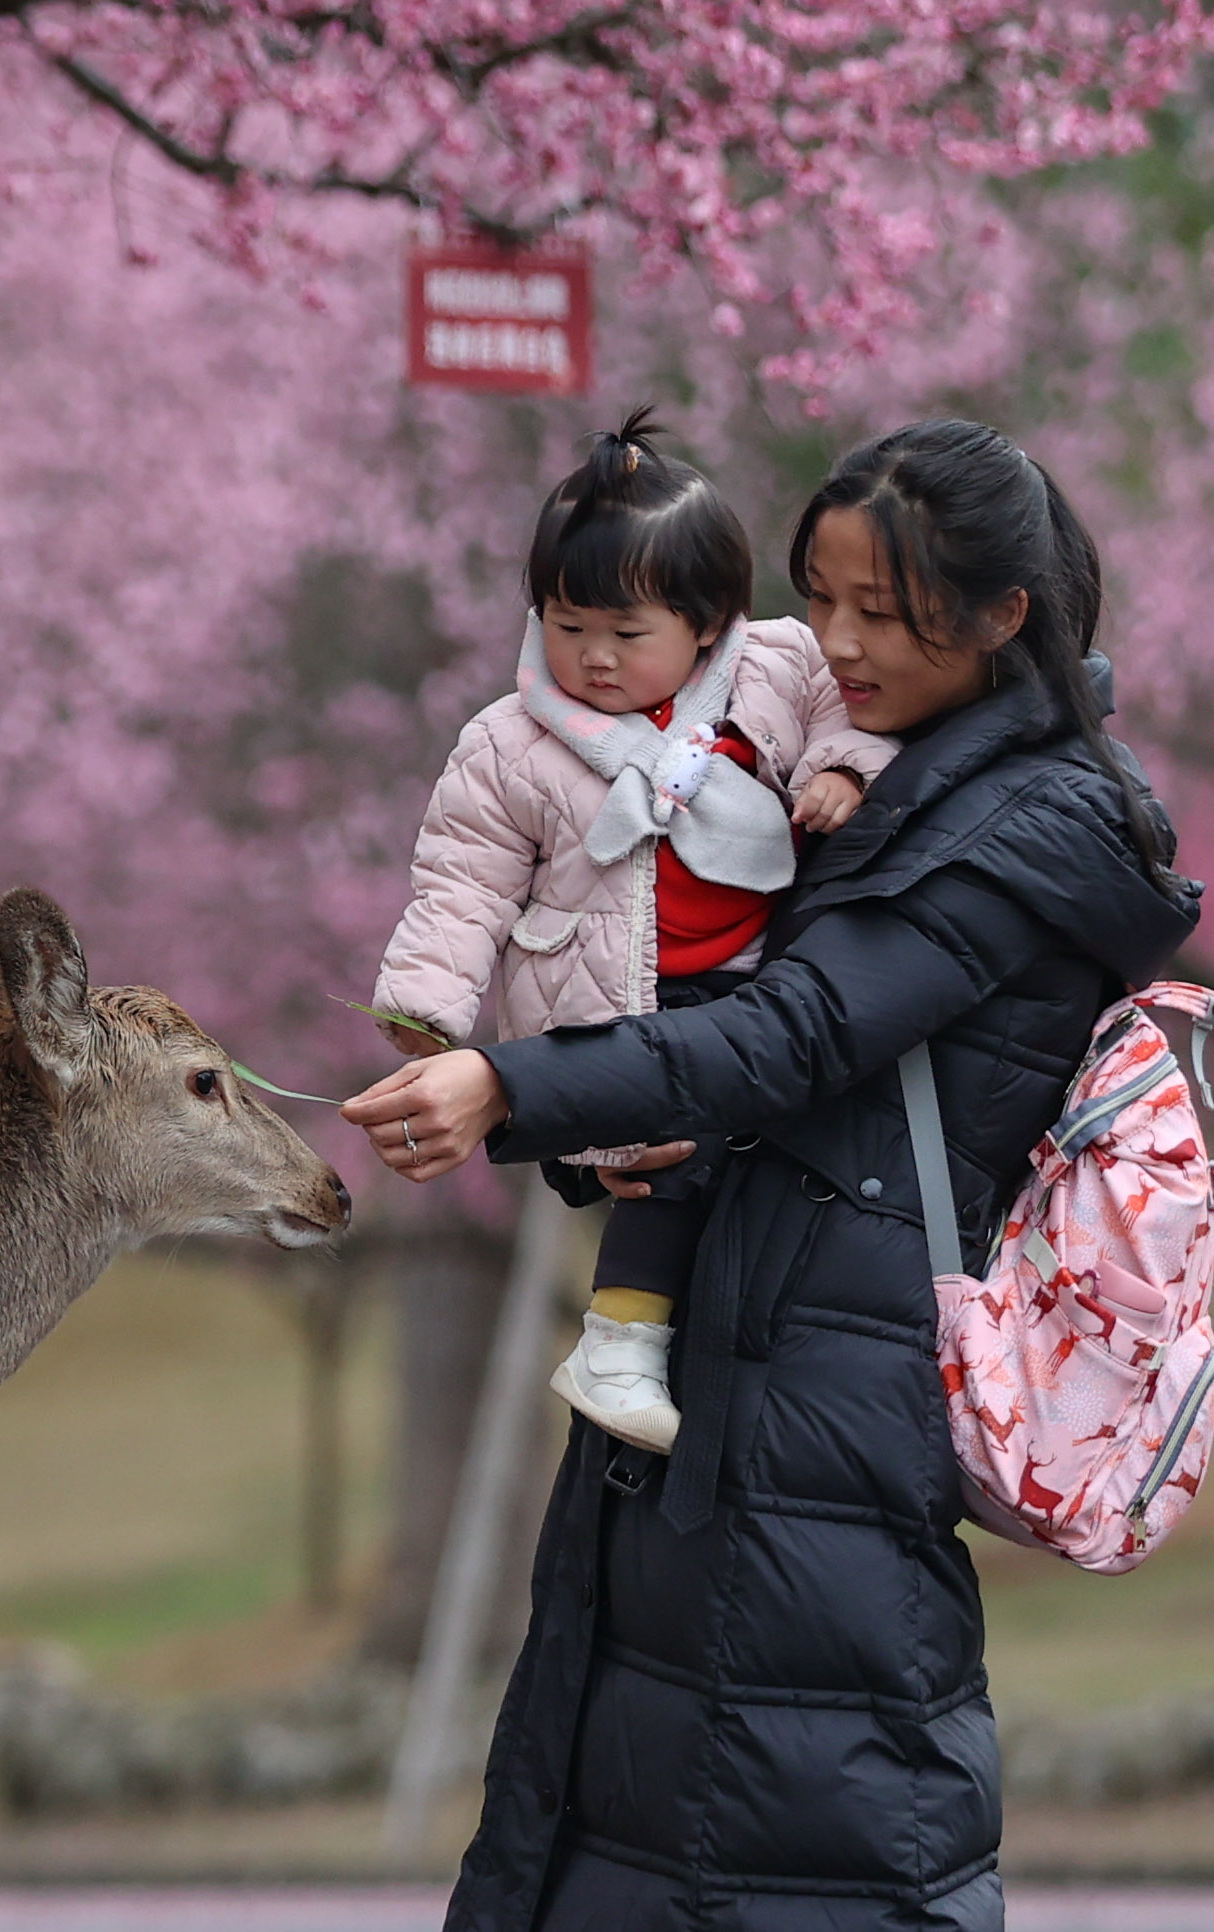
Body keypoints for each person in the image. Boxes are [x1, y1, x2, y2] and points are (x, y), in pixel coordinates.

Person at [339, 419, 1200, 1932]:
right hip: (773, 1323)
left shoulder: (1040, 819)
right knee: (789, 1800)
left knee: (850, 1799)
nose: (839, 637)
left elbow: (799, 1037)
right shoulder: (896, 784)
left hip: (847, 1356)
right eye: (818, 599)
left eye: (885, 610)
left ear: (1004, 613)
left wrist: (511, 1083)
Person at [367, 414, 887, 1450]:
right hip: (610, 999)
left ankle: (688, 1349)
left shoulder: (770, 672)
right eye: (568, 627)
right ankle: (617, 1340)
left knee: (752, 1163)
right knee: (665, 1161)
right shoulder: (510, 744)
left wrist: (839, 768)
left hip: (750, 980)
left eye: (626, 633)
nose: (594, 659)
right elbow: (463, 882)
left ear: (707, 623)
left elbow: (852, 692)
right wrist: (427, 1002)